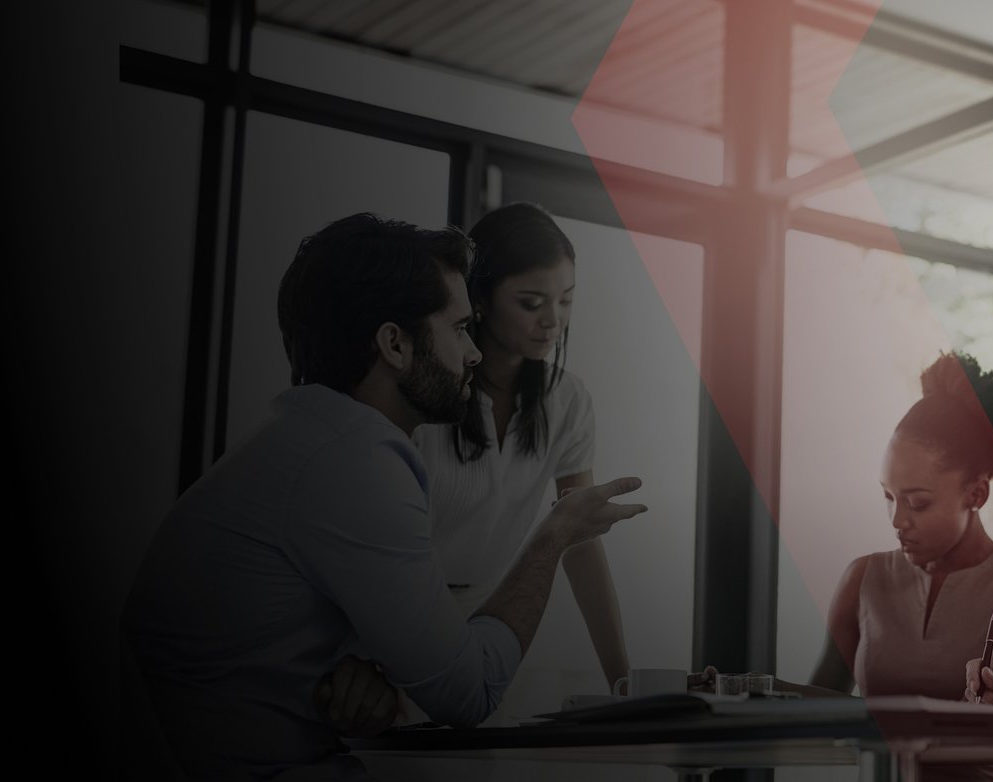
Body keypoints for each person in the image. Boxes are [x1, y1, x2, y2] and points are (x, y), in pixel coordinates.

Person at [119, 213, 647, 781]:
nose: (472, 353)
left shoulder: (317, 435)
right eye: (458, 328)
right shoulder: (361, 459)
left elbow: (320, 608)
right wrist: (555, 533)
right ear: (394, 343)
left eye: (565, 301)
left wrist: (362, 667)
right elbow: (467, 692)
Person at [766, 353, 993, 782]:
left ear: (977, 494)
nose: (896, 522)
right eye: (888, 497)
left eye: (917, 502)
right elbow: (821, 701)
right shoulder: (862, 578)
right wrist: (748, 689)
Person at [411, 203, 631, 697]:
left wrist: (624, 680)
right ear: (481, 299)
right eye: (531, 303)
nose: (553, 321)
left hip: (494, 622)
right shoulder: (427, 392)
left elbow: (579, 541)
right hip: (395, 612)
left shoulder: (567, 399)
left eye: (566, 300)